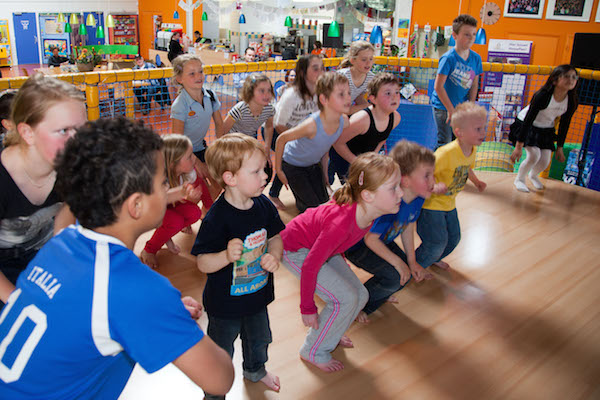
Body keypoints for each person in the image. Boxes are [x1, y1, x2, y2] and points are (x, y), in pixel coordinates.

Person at [0, 117, 235, 399]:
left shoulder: (59, 243)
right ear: (136, 205)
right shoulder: (137, 290)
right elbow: (220, 380)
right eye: (162, 183)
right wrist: (166, 314)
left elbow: (89, 313)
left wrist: (155, 312)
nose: (166, 190)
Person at [281, 152, 403, 372]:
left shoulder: (366, 213)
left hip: (320, 249)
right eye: (394, 188)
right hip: (296, 251)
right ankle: (313, 351)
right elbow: (310, 264)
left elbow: (338, 244)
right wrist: (307, 307)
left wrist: (343, 271)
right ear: (368, 195)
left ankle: (330, 334)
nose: (401, 193)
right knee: (344, 298)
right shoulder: (342, 223)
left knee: (361, 295)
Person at [192, 133, 285, 398]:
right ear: (230, 178)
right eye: (256, 171)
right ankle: (214, 393)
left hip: (257, 295)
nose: (266, 176)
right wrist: (224, 256)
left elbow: (276, 236)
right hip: (224, 306)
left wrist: (275, 256)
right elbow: (201, 263)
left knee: (260, 340)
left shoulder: (263, 205)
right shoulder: (217, 218)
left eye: (264, 169)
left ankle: (255, 370)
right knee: (220, 351)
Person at [0, 75, 85, 307]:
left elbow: (65, 220)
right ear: (27, 133)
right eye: (64, 130)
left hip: (42, 258)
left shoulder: (70, 167)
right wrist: (17, 301)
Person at [345, 141, 437, 323]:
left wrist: (411, 261)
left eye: (432, 174)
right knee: (395, 277)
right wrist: (398, 262)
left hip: (380, 241)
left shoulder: (417, 198)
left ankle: (381, 293)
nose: (433, 182)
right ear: (406, 180)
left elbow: (408, 226)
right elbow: (371, 239)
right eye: (427, 176)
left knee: (405, 273)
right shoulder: (389, 202)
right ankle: (357, 306)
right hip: (358, 245)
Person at [416, 102, 487, 271]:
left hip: (449, 203)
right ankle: (416, 266)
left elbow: (466, 167)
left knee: (454, 238)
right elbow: (424, 171)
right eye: (478, 129)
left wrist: (476, 181)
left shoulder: (472, 150)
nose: (483, 133)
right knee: (436, 242)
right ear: (459, 133)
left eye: (483, 128)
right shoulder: (445, 153)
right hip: (431, 205)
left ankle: (432, 258)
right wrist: (434, 185)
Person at [275, 72, 350, 213]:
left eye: (348, 93)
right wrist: (279, 171)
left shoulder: (344, 121)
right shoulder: (312, 125)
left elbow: (325, 147)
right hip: (292, 165)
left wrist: (324, 172)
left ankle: (302, 201)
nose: (348, 98)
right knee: (312, 208)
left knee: (323, 203)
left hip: (312, 164)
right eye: (341, 94)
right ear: (324, 99)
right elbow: (281, 139)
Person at [140, 134, 211, 268]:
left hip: (167, 206)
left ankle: (165, 234)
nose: (194, 160)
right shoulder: (158, 179)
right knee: (174, 221)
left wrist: (206, 206)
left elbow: (201, 187)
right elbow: (155, 203)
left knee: (194, 212)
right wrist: (183, 195)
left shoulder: (188, 172)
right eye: (189, 157)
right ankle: (149, 249)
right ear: (173, 163)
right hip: (150, 210)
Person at [509, 64, 579, 192]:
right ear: (555, 79)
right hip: (527, 124)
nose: (571, 80)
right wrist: (518, 146)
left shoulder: (571, 100)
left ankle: (533, 175)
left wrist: (560, 148)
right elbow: (528, 120)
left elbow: (565, 124)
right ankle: (519, 179)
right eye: (567, 76)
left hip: (546, 128)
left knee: (545, 159)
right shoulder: (543, 95)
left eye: (574, 77)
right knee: (534, 155)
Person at [269, 55, 324, 210]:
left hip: (298, 132)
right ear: (302, 73)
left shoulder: (318, 93)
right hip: (280, 131)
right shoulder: (292, 95)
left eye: (322, 68)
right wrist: (295, 139)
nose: (320, 72)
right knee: (287, 161)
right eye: (315, 68)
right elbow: (278, 124)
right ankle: (274, 193)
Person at [330, 72, 402, 182]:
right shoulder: (362, 119)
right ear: (373, 99)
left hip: (361, 159)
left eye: (397, 92)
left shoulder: (395, 118)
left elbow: (382, 138)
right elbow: (337, 142)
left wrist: (372, 158)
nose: (394, 97)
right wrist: (357, 162)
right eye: (388, 93)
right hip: (341, 156)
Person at [171, 54, 223, 202]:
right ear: (180, 79)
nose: (198, 76)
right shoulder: (180, 105)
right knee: (194, 192)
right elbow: (178, 141)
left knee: (219, 181)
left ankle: (206, 211)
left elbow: (219, 124)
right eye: (192, 73)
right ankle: (186, 219)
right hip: (182, 154)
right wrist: (196, 162)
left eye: (200, 71)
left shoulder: (211, 96)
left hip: (200, 148)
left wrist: (219, 148)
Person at [430, 14, 483, 149]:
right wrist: (450, 109)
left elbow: (474, 84)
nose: (471, 38)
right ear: (455, 35)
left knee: (459, 141)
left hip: (461, 107)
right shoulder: (448, 58)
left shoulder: (476, 59)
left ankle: (453, 169)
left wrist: (470, 106)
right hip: (443, 106)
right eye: (466, 35)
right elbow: (438, 86)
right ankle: (434, 169)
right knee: (445, 141)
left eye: (473, 34)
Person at [219, 74, 275, 160]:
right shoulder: (240, 109)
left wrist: (267, 148)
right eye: (262, 91)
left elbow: (269, 126)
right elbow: (222, 132)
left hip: (249, 140)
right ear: (250, 92)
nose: (267, 94)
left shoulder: (269, 109)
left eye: (269, 90)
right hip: (233, 142)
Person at [337, 40, 375, 115]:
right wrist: (368, 107)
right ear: (352, 60)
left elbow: (358, 96)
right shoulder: (343, 77)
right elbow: (339, 109)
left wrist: (372, 108)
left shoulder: (370, 77)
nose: (368, 63)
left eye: (371, 59)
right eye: (364, 59)